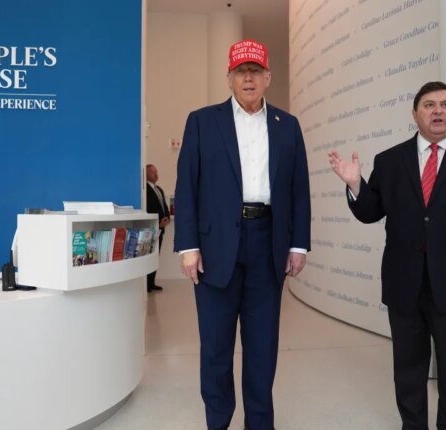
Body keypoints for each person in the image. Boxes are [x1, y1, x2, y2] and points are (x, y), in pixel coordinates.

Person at [328, 81, 446, 430]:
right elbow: (371, 211)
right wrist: (356, 185)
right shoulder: (390, 160)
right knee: (408, 371)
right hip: (406, 284)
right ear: (415, 113)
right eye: (429, 105)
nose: (438, 111)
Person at [174, 39, 311, 430]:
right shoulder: (202, 121)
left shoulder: (288, 126)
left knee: (262, 346)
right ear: (229, 78)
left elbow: (298, 189)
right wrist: (188, 246)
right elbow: (187, 187)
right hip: (215, 247)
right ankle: (217, 422)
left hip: (268, 242)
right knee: (216, 347)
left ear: (268, 77)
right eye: (240, 72)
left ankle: (260, 424)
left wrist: (298, 244)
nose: (248, 78)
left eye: (255, 71)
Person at [146, 163, 170, 292]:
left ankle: (151, 283)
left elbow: (163, 206)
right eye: (152, 173)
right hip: (151, 228)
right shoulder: (144, 190)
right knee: (148, 256)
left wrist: (167, 218)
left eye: (156, 172)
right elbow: (148, 209)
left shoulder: (159, 189)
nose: (156, 175)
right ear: (145, 174)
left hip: (161, 228)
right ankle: (146, 284)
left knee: (156, 256)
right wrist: (157, 223)